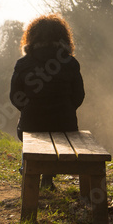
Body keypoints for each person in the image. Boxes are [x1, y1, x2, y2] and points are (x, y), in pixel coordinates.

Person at [10, 13, 85, 189]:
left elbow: (14, 96)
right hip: (65, 126)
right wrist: (65, 108)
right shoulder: (71, 62)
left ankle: (28, 167)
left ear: (31, 37)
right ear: (63, 37)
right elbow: (79, 96)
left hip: (32, 125)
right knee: (51, 128)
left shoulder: (23, 64)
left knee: (27, 127)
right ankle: (47, 177)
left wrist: (30, 109)